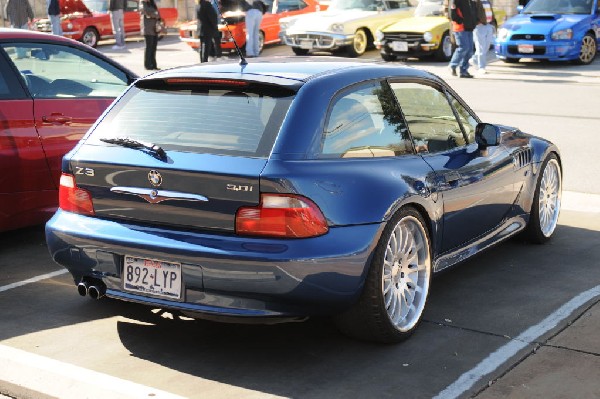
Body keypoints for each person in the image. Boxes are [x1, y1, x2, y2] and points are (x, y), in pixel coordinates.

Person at [447, 0, 478, 78]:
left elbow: (473, 12)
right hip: (460, 27)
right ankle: (452, 65)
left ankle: (463, 71)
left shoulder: (471, 1)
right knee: (464, 47)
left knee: (470, 50)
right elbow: (452, 13)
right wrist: (460, 21)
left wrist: (474, 22)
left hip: (469, 27)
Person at [470, 0, 494, 74]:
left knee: (486, 46)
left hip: (488, 24)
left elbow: (490, 11)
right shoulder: (475, 1)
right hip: (479, 26)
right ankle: (481, 67)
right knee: (481, 48)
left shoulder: (487, 1)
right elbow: (472, 12)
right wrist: (477, 22)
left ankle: (474, 59)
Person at [140, 0, 160, 70]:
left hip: (154, 29)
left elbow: (157, 13)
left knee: (153, 48)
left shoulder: (152, 3)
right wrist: (155, 14)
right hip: (147, 29)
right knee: (149, 48)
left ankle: (154, 65)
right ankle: (147, 65)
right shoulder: (143, 3)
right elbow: (147, 12)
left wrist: (155, 14)